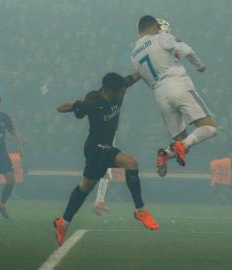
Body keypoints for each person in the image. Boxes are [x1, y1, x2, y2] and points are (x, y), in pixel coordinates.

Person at [53, 72, 159, 246]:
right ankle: (140, 211)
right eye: (118, 92)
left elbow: (136, 74)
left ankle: (63, 222)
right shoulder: (93, 101)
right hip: (95, 147)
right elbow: (62, 108)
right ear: (108, 90)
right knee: (131, 163)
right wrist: (74, 105)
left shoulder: (120, 87)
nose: (121, 94)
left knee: (85, 187)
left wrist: (148, 65)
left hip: (105, 147)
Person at [130, 15, 217, 177]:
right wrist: (200, 66)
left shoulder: (134, 54)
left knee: (182, 140)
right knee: (210, 127)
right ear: (152, 27)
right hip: (177, 84)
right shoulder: (162, 37)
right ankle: (178, 148)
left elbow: (145, 79)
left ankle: (166, 155)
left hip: (159, 94)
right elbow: (187, 50)